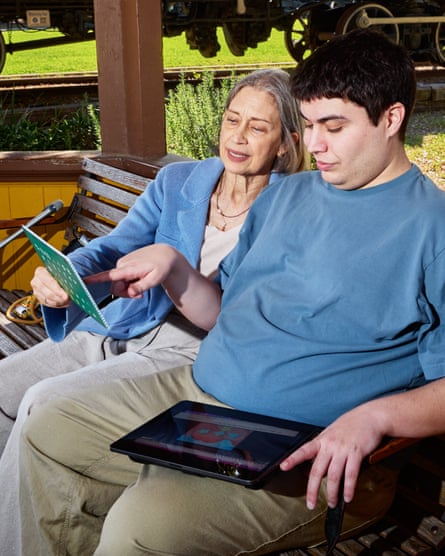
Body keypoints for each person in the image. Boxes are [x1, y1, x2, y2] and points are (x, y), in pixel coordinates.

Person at [12, 28, 445, 555]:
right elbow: (221, 310)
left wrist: (379, 416)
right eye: (308, 125)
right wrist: (175, 270)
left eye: (334, 127)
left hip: (307, 449)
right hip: (201, 400)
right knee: (48, 429)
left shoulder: (431, 229)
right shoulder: (290, 197)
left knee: (140, 524)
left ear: (392, 118)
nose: (314, 146)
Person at [0, 68, 308, 554]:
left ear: (287, 144)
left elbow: (244, 316)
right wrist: (65, 273)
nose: (239, 137)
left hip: (189, 353)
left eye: (258, 127)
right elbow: (115, 246)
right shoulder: (180, 181)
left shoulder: (294, 209)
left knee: (42, 403)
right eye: (232, 120)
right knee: (3, 389)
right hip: (122, 324)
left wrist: (175, 272)